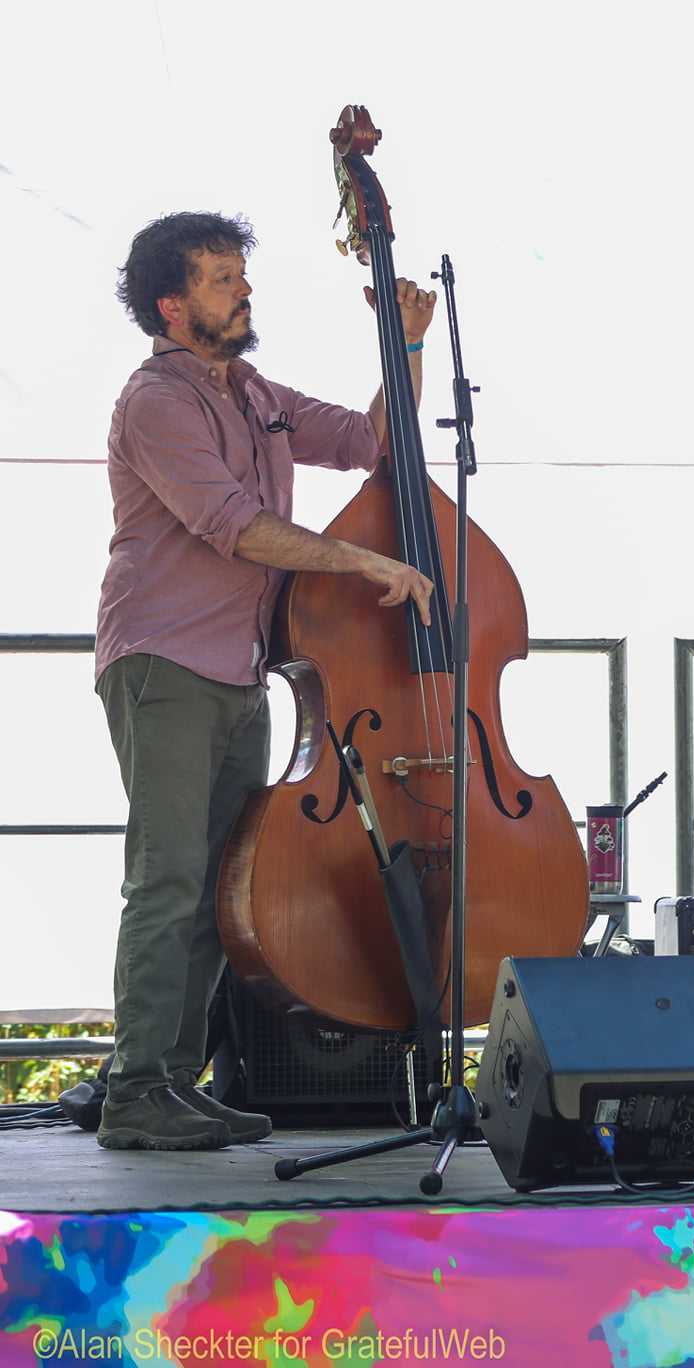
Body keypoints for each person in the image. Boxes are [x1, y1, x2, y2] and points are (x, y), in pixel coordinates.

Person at [95, 212, 436, 1150]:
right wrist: (359, 565)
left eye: (240, 276)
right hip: (164, 661)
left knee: (213, 885)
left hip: (240, 671)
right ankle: (134, 1090)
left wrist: (404, 341)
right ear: (171, 305)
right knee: (166, 878)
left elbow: (376, 440)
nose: (241, 291)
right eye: (218, 279)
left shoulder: (253, 391)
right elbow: (235, 524)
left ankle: (173, 1080)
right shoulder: (157, 400)